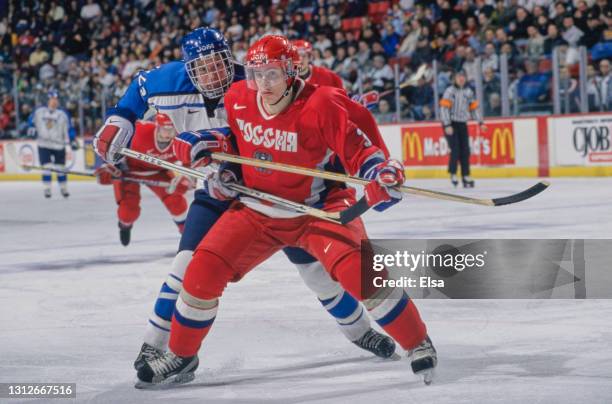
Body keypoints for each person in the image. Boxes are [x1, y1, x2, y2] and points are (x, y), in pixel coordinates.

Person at [136, 35, 437, 388]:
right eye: (255, 74)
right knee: (201, 270)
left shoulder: (322, 103)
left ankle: (417, 342)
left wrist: (382, 174)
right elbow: (236, 142)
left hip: (317, 208)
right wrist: (209, 145)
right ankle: (182, 356)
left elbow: (360, 151)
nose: (263, 84)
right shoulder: (237, 98)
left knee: (358, 272)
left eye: (272, 74)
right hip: (258, 208)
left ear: (291, 72)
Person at [94, 113, 191, 246]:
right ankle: (125, 226)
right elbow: (112, 145)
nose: (169, 134)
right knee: (128, 212)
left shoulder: (181, 139)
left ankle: (189, 239)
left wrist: (186, 178)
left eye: (172, 129)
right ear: (157, 125)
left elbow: (190, 162)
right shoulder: (139, 131)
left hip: (159, 172)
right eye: (165, 129)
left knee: (176, 202)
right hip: (130, 170)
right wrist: (111, 167)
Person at [439, 70, 486, 188]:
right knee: (455, 149)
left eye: (463, 77)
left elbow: (474, 108)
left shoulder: (468, 92)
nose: (461, 79)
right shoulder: (449, 91)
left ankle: (466, 175)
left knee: (465, 150)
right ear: (455, 78)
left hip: (462, 123)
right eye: (459, 77)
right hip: (451, 123)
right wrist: (447, 124)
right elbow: (444, 109)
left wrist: (480, 122)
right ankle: (453, 173)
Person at [28, 90, 78, 198]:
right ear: (48, 100)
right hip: (43, 144)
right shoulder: (39, 111)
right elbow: (31, 121)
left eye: (56, 99)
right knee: (46, 167)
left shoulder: (63, 114)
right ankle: (47, 189)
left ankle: (64, 188)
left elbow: (70, 128)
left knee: (61, 168)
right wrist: (31, 128)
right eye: (52, 99)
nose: (54, 101)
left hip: (59, 145)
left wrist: (73, 139)